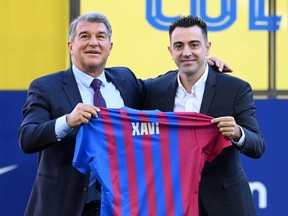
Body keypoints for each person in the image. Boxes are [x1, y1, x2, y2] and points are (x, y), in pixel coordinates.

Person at [18, 12, 232, 216]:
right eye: (85, 36)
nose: (93, 42)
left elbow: (163, 83)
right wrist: (67, 121)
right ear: (70, 46)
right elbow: (28, 138)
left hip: (122, 206)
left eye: (100, 37)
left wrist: (201, 63)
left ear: (110, 47)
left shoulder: (125, 80)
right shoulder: (46, 87)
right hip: (65, 206)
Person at [142, 15, 265, 216]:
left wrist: (237, 133)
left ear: (207, 47)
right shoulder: (155, 89)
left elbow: (257, 145)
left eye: (194, 44)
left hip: (225, 204)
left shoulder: (235, 88)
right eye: (179, 46)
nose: (186, 52)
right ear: (170, 51)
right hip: (173, 202)